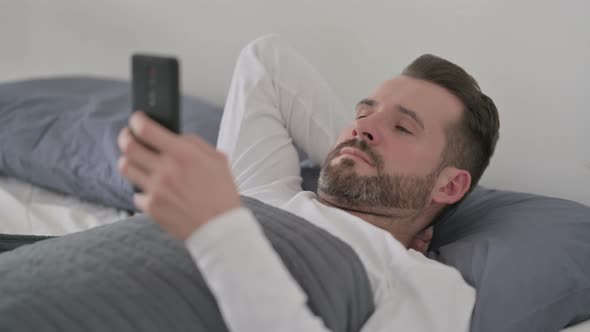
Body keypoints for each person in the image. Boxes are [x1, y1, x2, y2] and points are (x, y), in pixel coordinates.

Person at [117, 34, 500, 331]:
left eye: (402, 127)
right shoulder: (261, 189)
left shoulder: (428, 285)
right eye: (362, 113)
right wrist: (356, 152)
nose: (362, 126)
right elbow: (265, 59)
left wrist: (219, 231)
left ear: (449, 187)